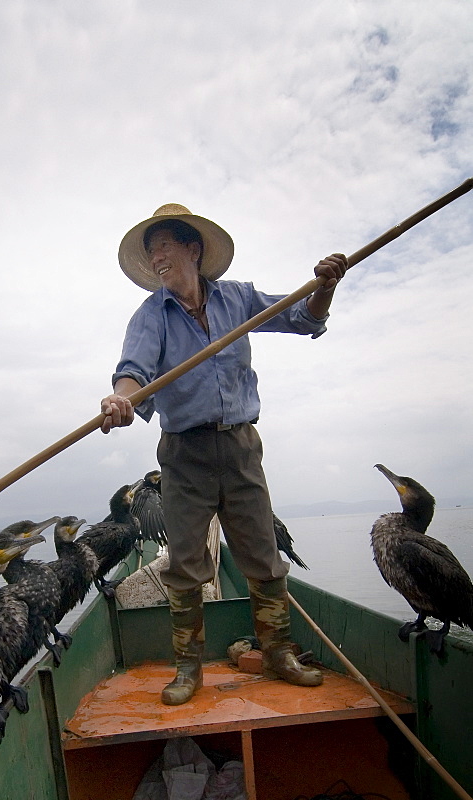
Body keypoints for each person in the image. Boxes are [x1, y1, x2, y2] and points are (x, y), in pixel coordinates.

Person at [101, 204, 347, 705]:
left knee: (261, 553)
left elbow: (302, 317)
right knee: (186, 564)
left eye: (166, 244)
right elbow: (134, 372)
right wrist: (121, 399)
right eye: (152, 251)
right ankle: (189, 668)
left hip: (239, 446)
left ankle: (278, 651)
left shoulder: (239, 299)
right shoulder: (151, 315)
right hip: (184, 455)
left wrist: (325, 287)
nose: (158, 257)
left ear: (194, 249)